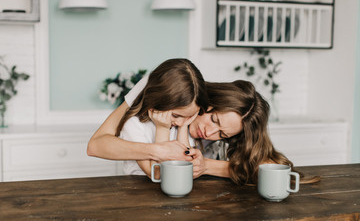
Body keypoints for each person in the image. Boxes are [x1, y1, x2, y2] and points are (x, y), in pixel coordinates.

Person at [88, 73, 316, 185]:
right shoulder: (161, 90)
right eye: (214, 120)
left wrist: (208, 165)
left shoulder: (208, 135)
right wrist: (159, 150)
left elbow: (271, 169)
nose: (210, 134)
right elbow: (95, 146)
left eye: (223, 135)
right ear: (208, 102)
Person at [107, 58, 208, 176]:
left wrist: (183, 129)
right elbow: (158, 174)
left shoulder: (181, 125)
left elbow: (184, 172)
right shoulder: (134, 125)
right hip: (138, 190)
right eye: (176, 115)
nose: (180, 122)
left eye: (189, 116)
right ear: (157, 102)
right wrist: (162, 129)